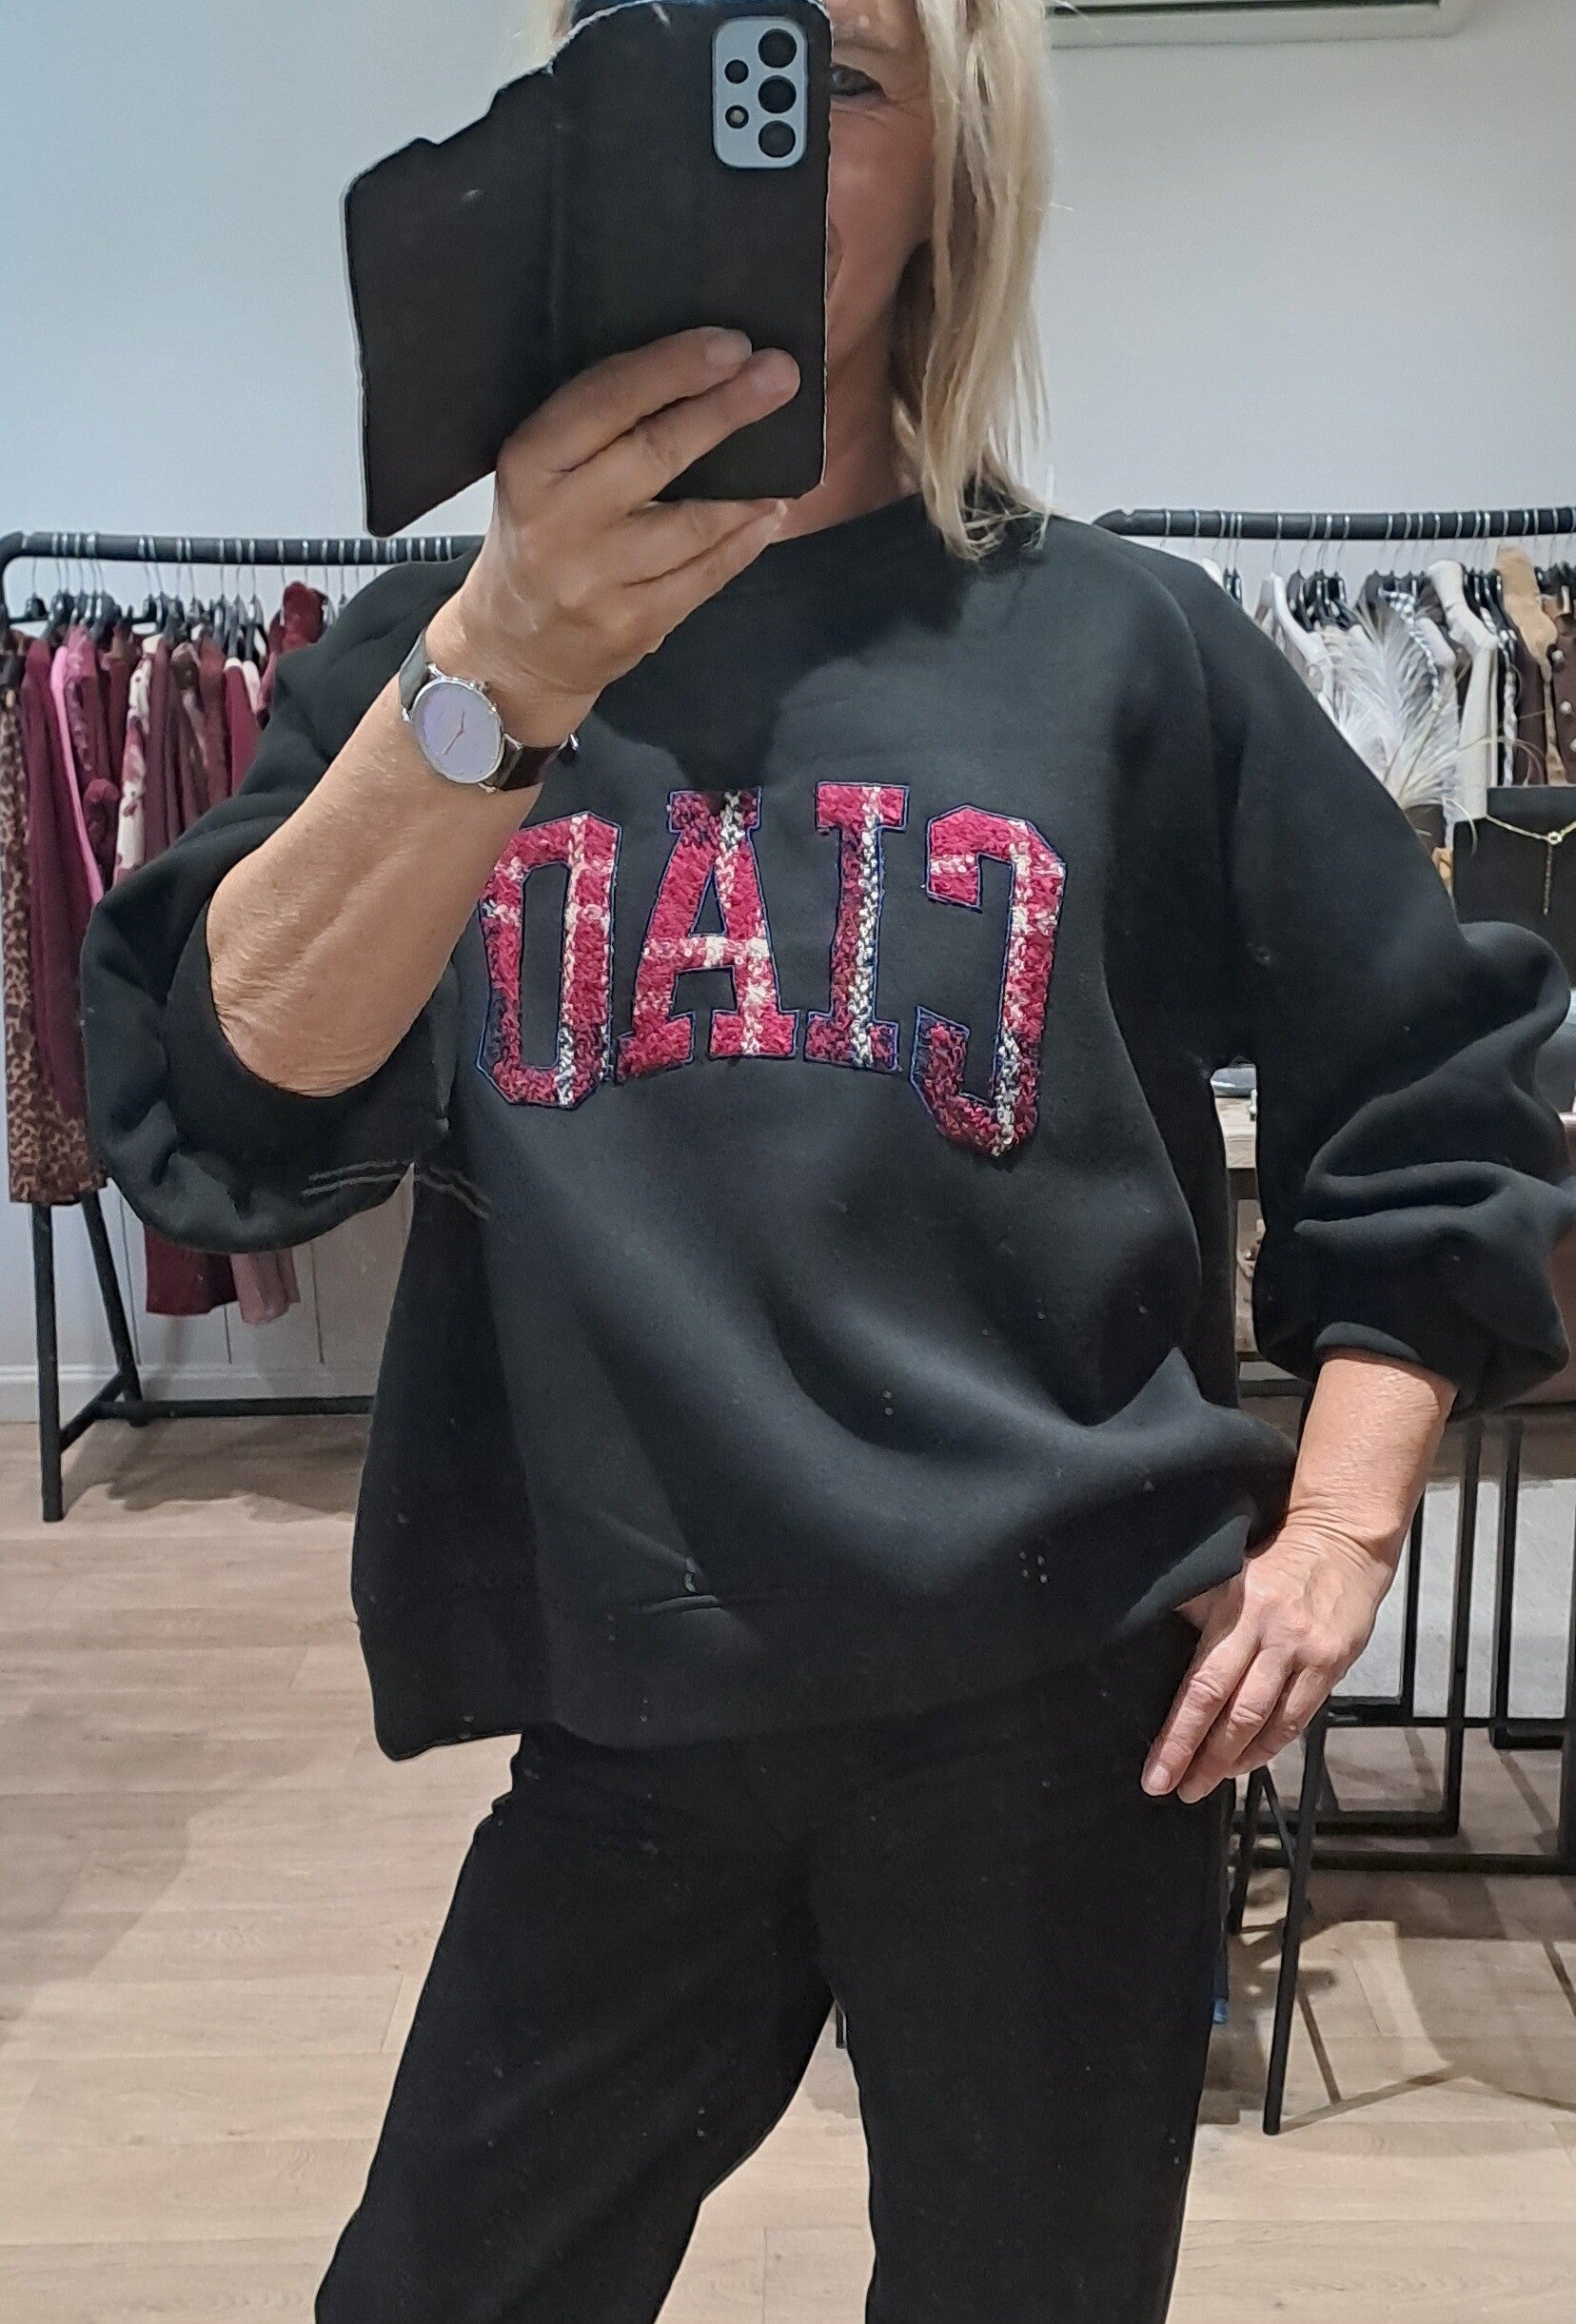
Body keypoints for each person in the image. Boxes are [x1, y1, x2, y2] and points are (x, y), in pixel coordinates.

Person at [79, 0, 1576, 2317]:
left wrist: (1344, 1530)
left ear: (959, 168)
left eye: (827, 76)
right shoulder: (426, 665)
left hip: (1063, 1714)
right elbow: (236, 1107)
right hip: (631, 1710)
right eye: (662, 47)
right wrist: (502, 666)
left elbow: (1433, 1087)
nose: (743, 139)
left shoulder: (1119, 647)